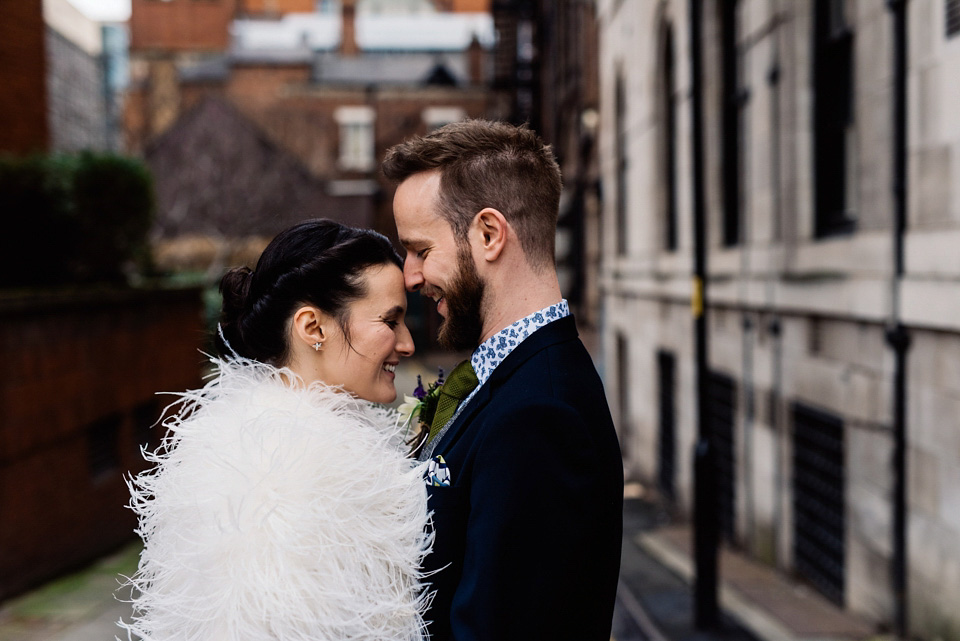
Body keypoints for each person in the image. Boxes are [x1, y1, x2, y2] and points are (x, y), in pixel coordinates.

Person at [118, 219, 432, 641]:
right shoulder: (297, 473)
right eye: (390, 321)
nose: (407, 343)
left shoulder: (248, 442)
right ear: (312, 327)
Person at [383, 119, 623, 640]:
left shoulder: (538, 416)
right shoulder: (513, 379)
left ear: (489, 235)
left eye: (421, 250)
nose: (409, 276)